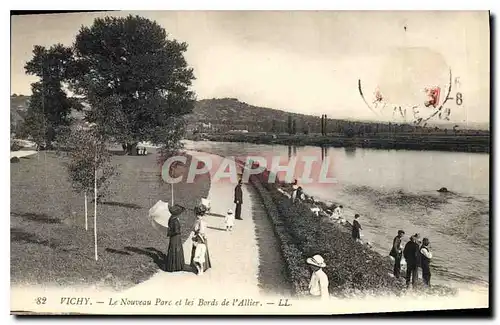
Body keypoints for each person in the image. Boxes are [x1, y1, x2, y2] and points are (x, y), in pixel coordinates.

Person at [165, 204, 186, 272]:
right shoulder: (175, 221)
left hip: (173, 237)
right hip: (176, 237)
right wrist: (178, 231)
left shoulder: (171, 218)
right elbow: (176, 231)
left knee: (173, 249)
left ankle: (172, 265)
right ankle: (176, 266)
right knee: (176, 249)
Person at [190, 206, 212, 274]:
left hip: (199, 238)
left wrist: (195, 236)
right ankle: (201, 266)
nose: (197, 216)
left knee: (199, 252)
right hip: (200, 237)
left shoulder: (200, 222)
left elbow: (201, 231)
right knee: (200, 252)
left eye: (197, 215)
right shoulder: (201, 221)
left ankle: (200, 267)